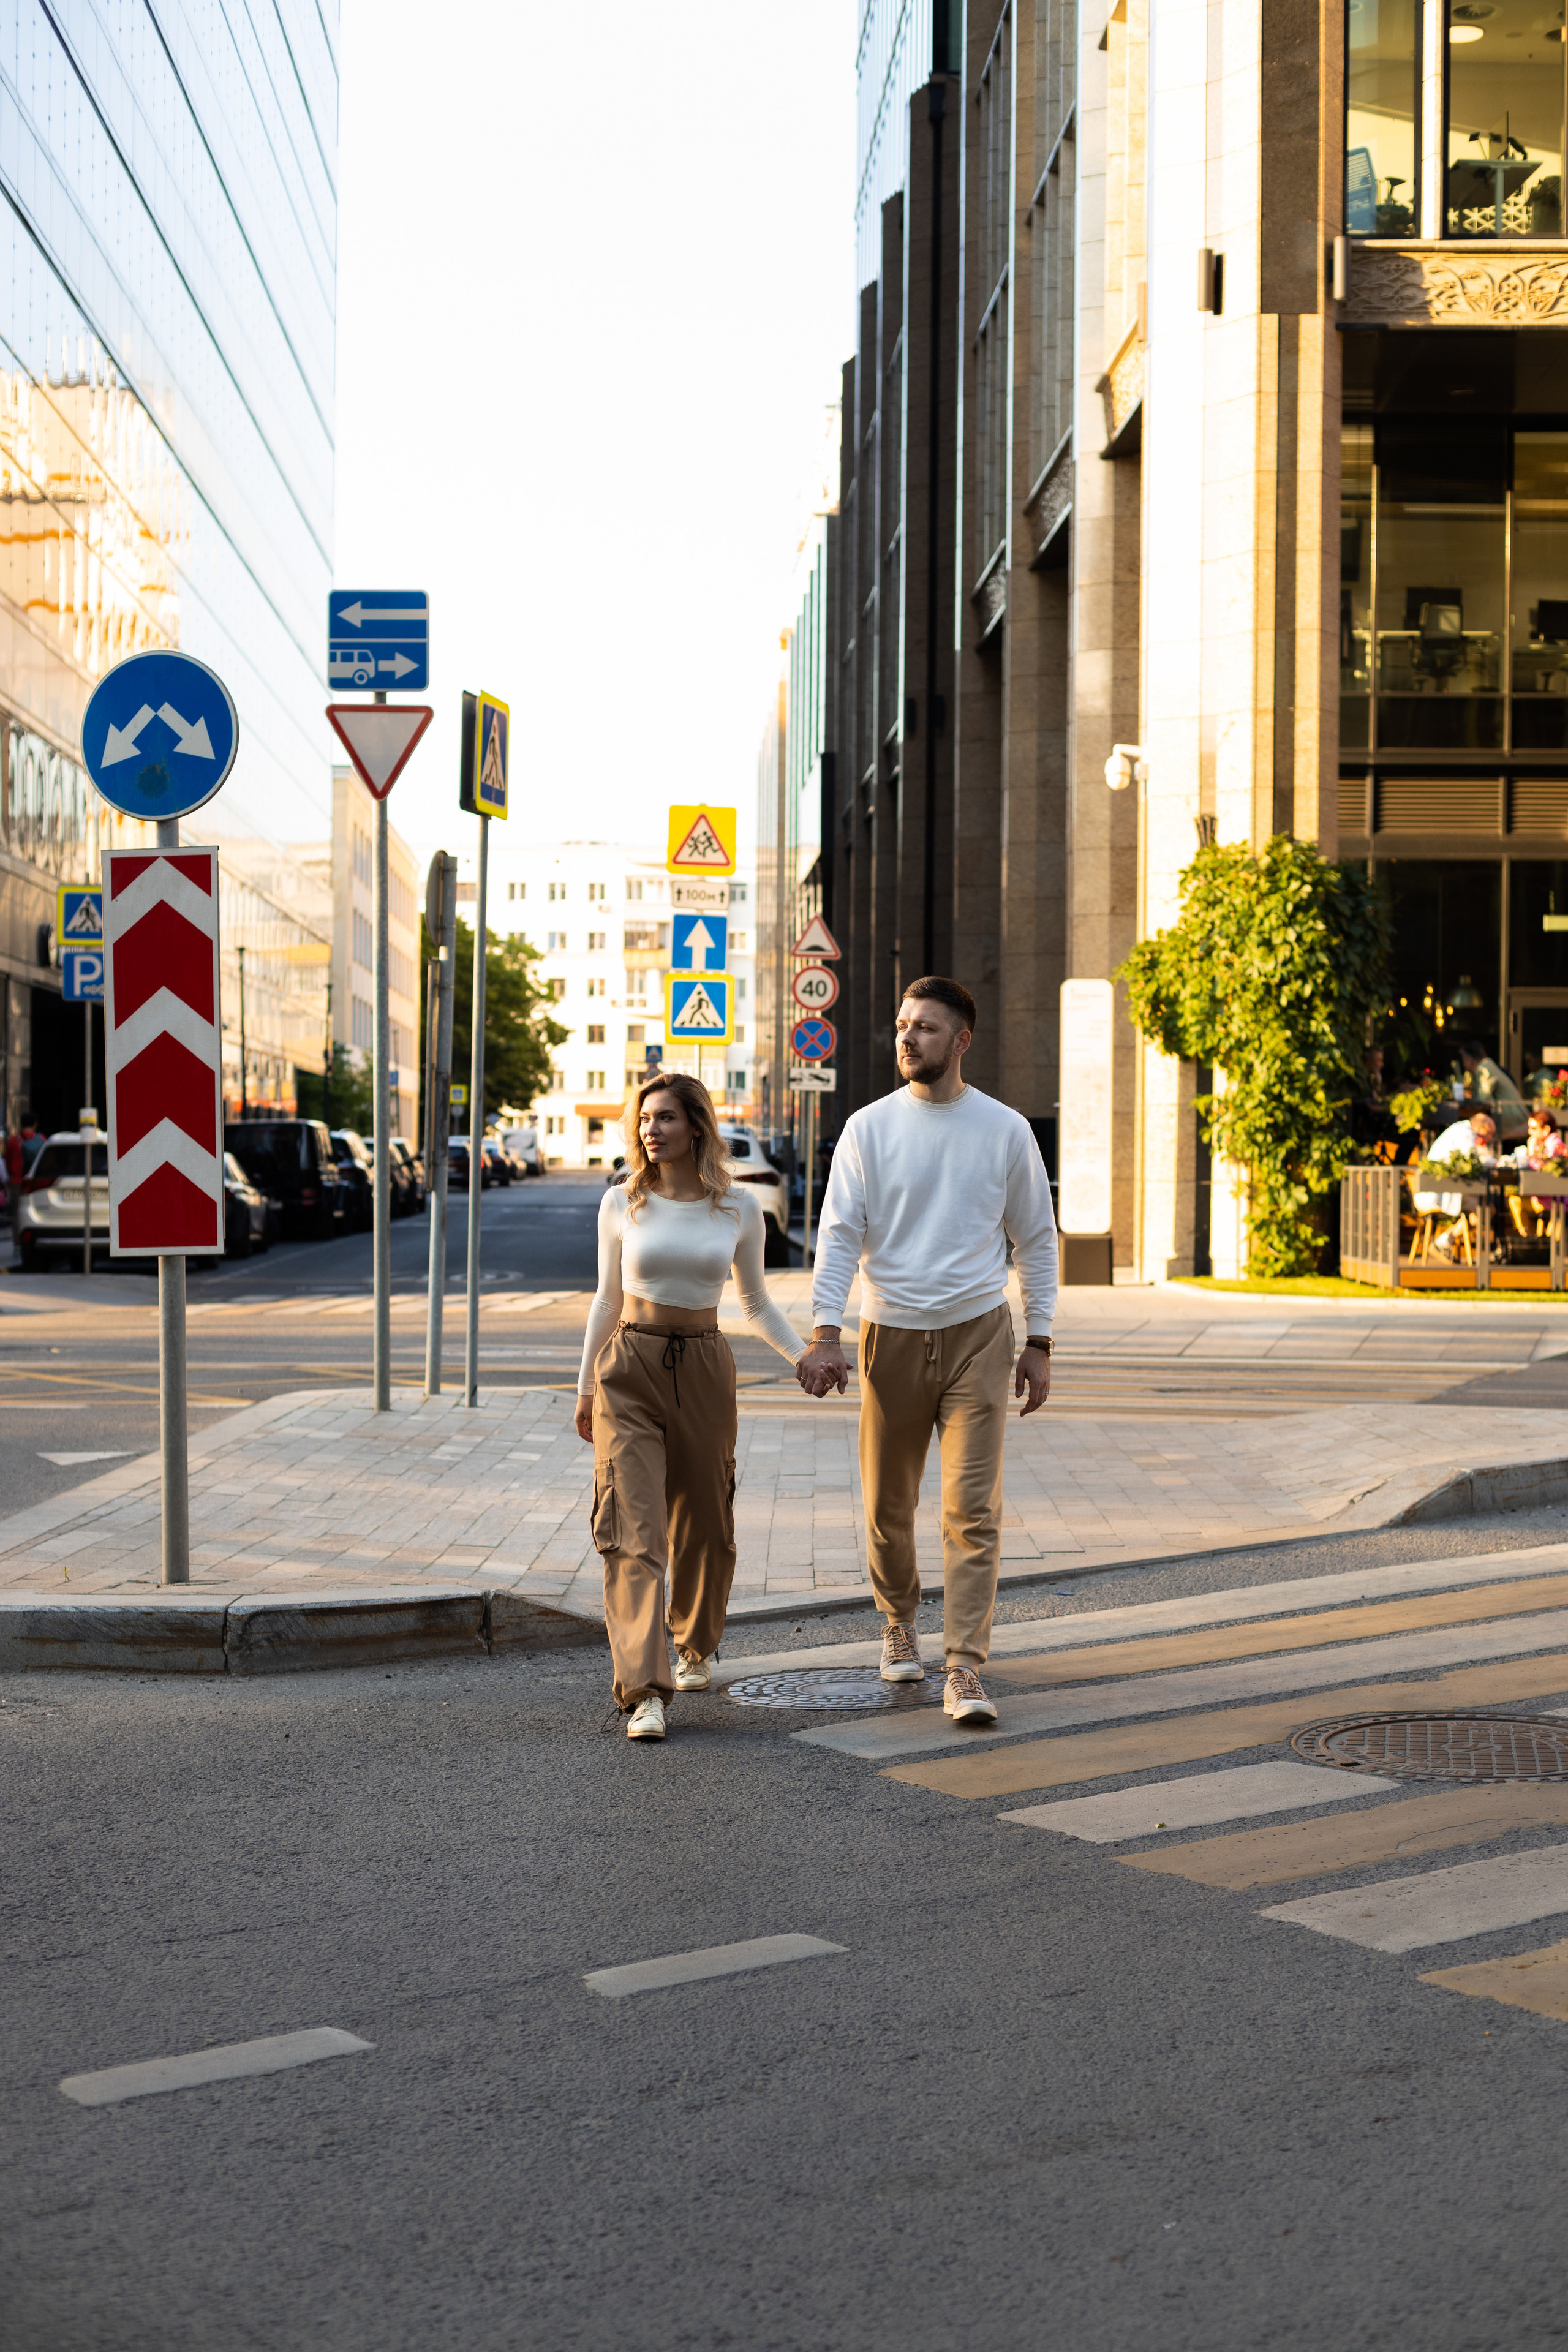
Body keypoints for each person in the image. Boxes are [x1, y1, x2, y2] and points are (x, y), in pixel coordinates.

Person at [796, 976, 1058, 1725]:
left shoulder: (1004, 1129)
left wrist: (1038, 1341)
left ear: (962, 1041)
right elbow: (839, 1235)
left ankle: (965, 1666)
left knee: (972, 1511)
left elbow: (1035, 1241)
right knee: (887, 1505)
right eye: (903, 1025)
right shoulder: (868, 1129)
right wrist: (825, 1332)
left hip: (979, 1332)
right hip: (889, 1334)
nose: (908, 1039)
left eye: (926, 1029)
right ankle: (898, 1620)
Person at [575, 1072, 804, 1742]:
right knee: (631, 1530)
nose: (652, 1129)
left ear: (696, 1127)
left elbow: (756, 1304)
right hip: (629, 1368)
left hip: (704, 1363)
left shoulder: (737, 1210)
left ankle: (696, 1643)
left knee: (706, 1520)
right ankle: (644, 1690)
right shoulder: (622, 1202)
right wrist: (586, 1385)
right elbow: (605, 1298)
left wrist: (803, 1358)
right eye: (645, 1118)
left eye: (667, 1118)